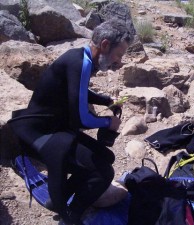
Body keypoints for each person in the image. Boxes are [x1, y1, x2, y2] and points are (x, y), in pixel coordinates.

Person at [8, 19, 134, 225]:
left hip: (54, 127)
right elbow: (80, 118)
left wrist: (105, 100)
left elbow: (78, 90)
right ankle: (71, 216)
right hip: (41, 132)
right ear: (104, 45)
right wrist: (106, 122)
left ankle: (61, 196)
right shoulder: (80, 62)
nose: (119, 62)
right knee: (104, 172)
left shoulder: (82, 58)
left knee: (106, 156)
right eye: (118, 55)